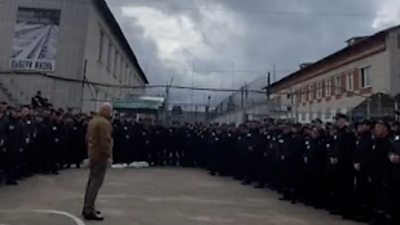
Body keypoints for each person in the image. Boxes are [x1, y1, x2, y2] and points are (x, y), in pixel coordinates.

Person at [82, 103, 113, 221]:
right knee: (96, 183)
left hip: (93, 154)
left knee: (91, 182)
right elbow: (106, 140)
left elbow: (87, 138)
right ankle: (89, 209)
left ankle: (87, 206)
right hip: (100, 156)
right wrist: (108, 156)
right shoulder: (104, 123)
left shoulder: (93, 121)